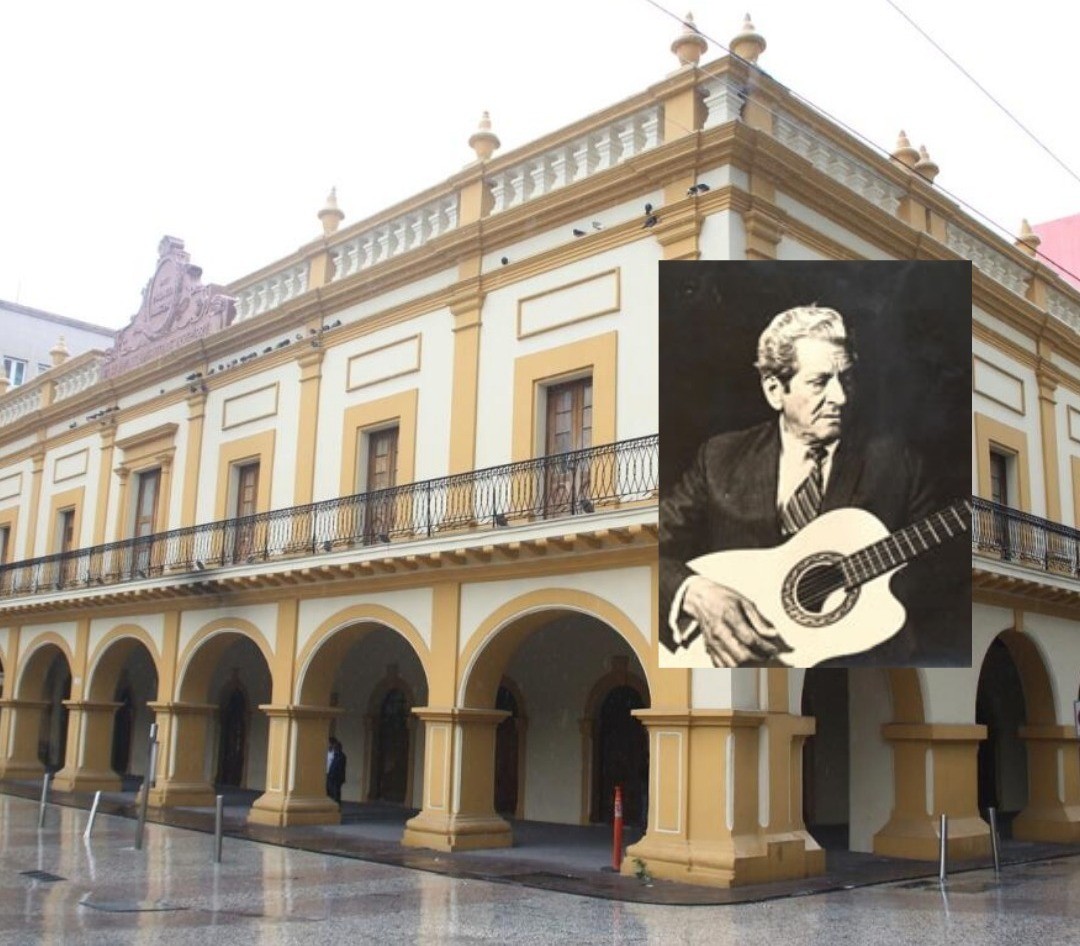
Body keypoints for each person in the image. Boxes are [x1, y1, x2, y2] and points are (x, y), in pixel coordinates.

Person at [659, 303, 942, 668]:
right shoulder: (720, 458)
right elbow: (647, 549)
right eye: (820, 381)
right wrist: (695, 593)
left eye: (847, 379)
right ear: (775, 390)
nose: (840, 397)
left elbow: (939, 575)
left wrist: (868, 601)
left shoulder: (897, 464)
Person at [326, 737, 347, 805]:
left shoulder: (339, 755)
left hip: (335, 777)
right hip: (327, 775)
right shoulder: (326, 753)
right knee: (328, 794)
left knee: (335, 794)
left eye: (329, 744)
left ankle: (337, 808)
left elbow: (340, 767)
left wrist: (340, 778)